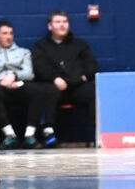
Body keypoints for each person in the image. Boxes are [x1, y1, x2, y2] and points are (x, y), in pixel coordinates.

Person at [0, 19, 51, 150]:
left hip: (20, 85)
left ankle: (30, 135)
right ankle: (9, 135)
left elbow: (29, 73)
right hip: (0, 88)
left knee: (38, 89)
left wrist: (14, 76)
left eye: (11, 33)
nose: (8, 36)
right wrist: (2, 81)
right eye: (5, 33)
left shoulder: (24, 52)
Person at [30, 10, 98, 146]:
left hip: (77, 88)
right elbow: (40, 68)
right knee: (44, 90)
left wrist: (78, 78)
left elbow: (92, 67)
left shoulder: (80, 45)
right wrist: (55, 78)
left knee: (93, 91)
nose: (62, 25)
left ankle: (95, 135)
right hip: (54, 89)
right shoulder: (41, 46)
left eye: (65, 22)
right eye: (58, 22)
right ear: (50, 26)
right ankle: (48, 133)